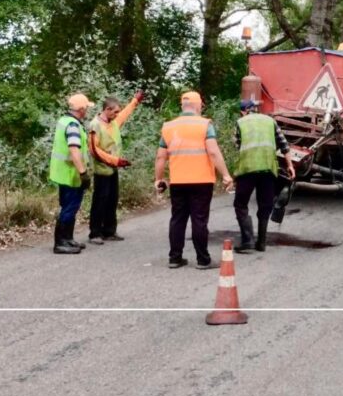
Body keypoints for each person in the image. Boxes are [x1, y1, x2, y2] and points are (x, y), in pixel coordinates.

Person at [154, 91, 233, 269]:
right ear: (198, 106)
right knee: (199, 220)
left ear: (182, 106)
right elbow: (213, 152)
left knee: (178, 219)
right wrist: (226, 175)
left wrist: (159, 179)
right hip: (202, 180)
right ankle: (203, 260)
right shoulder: (205, 125)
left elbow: (160, 157)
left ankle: (175, 258)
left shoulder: (168, 126)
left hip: (178, 181)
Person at [232, 99, 295, 253]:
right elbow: (284, 145)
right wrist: (290, 166)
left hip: (247, 169)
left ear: (243, 111)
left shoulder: (240, 123)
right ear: (255, 109)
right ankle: (261, 243)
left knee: (240, 204)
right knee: (264, 205)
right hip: (268, 169)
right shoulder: (270, 121)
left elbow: (237, 145)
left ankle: (247, 240)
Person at [86, 91, 143, 244]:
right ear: (107, 110)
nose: (117, 114)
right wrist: (115, 160)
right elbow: (94, 150)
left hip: (113, 169)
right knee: (100, 201)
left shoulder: (113, 122)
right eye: (115, 111)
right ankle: (95, 233)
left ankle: (109, 231)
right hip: (102, 170)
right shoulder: (95, 125)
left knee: (112, 199)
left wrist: (135, 101)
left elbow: (125, 114)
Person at [48, 93, 94, 254]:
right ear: (81, 109)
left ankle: (68, 239)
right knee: (69, 208)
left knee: (69, 207)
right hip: (70, 174)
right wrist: (83, 173)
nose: (87, 110)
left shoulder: (64, 120)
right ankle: (60, 242)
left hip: (63, 172)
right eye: (86, 107)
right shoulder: (73, 125)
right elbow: (74, 150)